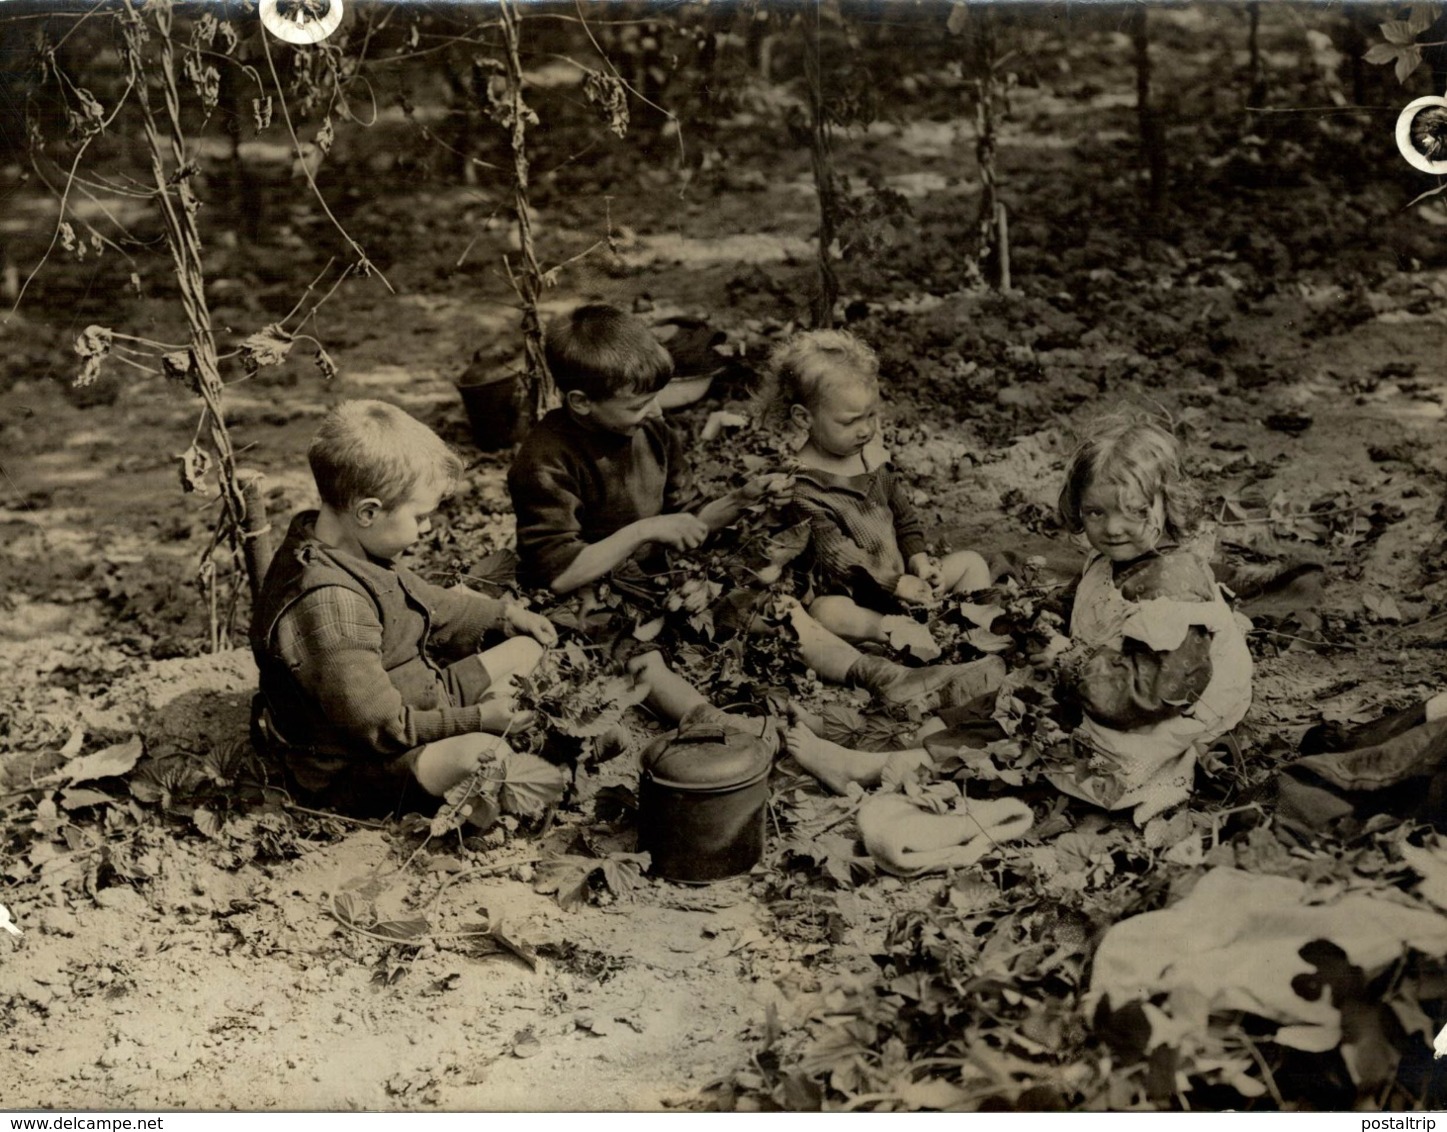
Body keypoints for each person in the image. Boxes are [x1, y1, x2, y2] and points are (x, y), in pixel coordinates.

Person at [507, 303, 1003, 716]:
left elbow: (687, 522)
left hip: (658, 583)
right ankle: (714, 730)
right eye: (638, 405)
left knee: (777, 609)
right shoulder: (545, 457)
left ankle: (887, 677)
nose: (655, 411)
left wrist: (739, 501)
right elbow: (560, 574)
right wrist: (646, 530)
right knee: (639, 658)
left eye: (657, 398)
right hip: (589, 597)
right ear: (580, 402)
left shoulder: (652, 433)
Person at [787, 415, 1253, 826]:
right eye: (1096, 512)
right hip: (1106, 679)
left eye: (1133, 512)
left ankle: (863, 769)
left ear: (1165, 506)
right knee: (998, 698)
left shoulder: (1172, 588)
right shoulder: (1114, 557)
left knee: (1026, 745)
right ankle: (881, 740)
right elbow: (1086, 605)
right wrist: (1041, 619)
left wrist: (1069, 661)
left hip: (1154, 714)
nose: (1112, 527)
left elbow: (1156, 690)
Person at [250, 400, 558, 818]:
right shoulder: (330, 607)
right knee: (481, 753)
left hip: (422, 699)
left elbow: (428, 600)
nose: (428, 528)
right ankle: (499, 758)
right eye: (420, 516)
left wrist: (504, 616)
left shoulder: (349, 545)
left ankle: (502, 731)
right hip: (361, 764)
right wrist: (479, 718)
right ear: (369, 512)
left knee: (527, 648)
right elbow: (383, 728)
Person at [757, 329, 992, 660]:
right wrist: (895, 583)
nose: (866, 429)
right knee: (827, 612)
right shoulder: (802, 487)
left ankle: (976, 633)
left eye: (871, 416)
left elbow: (904, 518)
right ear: (803, 418)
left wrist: (919, 563)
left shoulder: (873, 460)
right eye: (851, 421)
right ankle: (897, 633)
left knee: (971, 563)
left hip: (905, 585)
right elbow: (838, 557)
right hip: (858, 596)